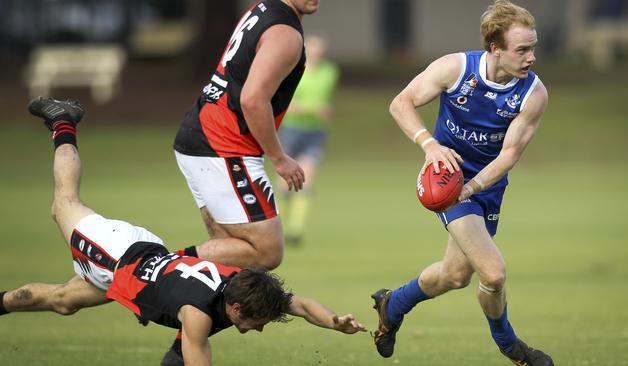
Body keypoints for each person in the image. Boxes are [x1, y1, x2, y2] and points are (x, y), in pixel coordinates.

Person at [0, 97, 366, 366]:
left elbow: (299, 304)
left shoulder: (244, 286)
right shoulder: (198, 313)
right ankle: (63, 121)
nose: (259, 330)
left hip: (144, 254)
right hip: (114, 255)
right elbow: (196, 357)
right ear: (235, 309)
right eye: (256, 323)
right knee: (63, 203)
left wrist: (334, 322)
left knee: (64, 302)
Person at [371, 1, 553, 365]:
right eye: (522, 49)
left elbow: (508, 156)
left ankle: (393, 304)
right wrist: (430, 145)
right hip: (446, 180)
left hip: (486, 185)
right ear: (495, 48)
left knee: (454, 276)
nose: (531, 57)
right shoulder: (455, 68)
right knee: (494, 272)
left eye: (532, 47)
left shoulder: (533, 94)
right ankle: (511, 347)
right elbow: (401, 103)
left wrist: (471, 189)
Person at [172, 0, 318, 270]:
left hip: (202, 133)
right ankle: (150, 268)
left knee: (233, 263)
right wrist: (279, 158)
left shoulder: (262, 9)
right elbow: (252, 100)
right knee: (266, 251)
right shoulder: (285, 34)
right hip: (224, 145)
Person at [277, 35, 340, 245]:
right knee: (284, 183)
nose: (316, 55)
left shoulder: (330, 72)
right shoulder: (293, 71)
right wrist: (315, 109)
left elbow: (324, 102)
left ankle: (295, 230)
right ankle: (277, 226)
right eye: (313, 50)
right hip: (292, 129)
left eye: (320, 51)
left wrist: (324, 112)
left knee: (307, 178)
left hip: (315, 132)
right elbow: (289, 105)